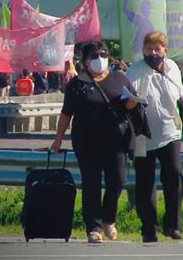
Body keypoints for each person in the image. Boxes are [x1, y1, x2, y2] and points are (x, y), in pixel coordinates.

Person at [50, 41, 138, 244]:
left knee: (117, 180)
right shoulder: (77, 84)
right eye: (95, 56)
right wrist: (58, 140)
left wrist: (132, 104)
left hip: (116, 142)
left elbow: (132, 103)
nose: (100, 59)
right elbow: (66, 114)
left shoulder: (120, 79)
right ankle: (94, 227)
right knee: (91, 184)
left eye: (103, 54)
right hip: (86, 142)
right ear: (85, 60)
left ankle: (109, 219)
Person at [125, 31, 183, 243]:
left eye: (158, 49)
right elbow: (124, 98)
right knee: (145, 182)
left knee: (175, 176)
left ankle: (173, 225)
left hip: (170, 132)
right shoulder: (134, 71)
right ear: (143, 50)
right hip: (141, 135)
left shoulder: (173, 68)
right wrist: (129, 102)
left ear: (165, 50)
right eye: (149, 49)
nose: (154, 53)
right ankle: (149, 227)